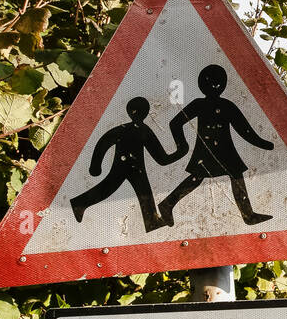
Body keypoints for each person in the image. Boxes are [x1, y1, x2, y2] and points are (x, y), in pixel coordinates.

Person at [157, 64, 275, 227]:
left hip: (225, 149)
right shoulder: (199, 104)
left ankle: (248, 214)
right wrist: (182, 145)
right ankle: (167, 204)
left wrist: (264, 143)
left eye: (217, 83)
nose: (214, 86)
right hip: (208, 150)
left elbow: (244, 129)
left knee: (232, 175)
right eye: (210, 83)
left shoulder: (227, 105)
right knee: (201, 177)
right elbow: (175, 123)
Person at [70, 96, 185, 232]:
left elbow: (104, 142)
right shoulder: (143, 130)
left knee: (141, 192)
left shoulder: (128, 129)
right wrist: (181, 151)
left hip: (134, 168)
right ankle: (79, 203)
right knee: (111, 189)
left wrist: (95, 166)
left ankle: (152, 221)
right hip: (127, 167)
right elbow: (161, 158)